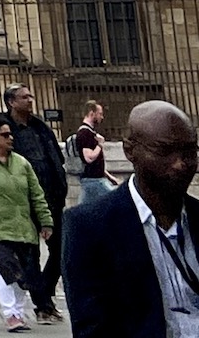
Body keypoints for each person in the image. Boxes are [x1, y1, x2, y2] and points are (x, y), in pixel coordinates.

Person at [64, 97, 199, 337]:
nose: (180, 164)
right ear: (130, 151)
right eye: (164, 151)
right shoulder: (88, 226)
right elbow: (92, 328)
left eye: (190, 152)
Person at [0, 114, 54, 332]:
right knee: (2, 270)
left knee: (23, 275)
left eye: (11, 134)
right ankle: (10, 313)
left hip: (22, 229)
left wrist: (46, 222)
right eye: (5, 135)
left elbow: (36, 195)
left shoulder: (22, 163)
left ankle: (18, 311)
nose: (10, 138)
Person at [6, 84, 70, 324]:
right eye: (24, 97)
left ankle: (43, 290)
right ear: (12, 102)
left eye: (31, 95)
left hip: (52, 198)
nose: (30, 100)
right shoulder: (7, 131)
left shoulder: (40, 127)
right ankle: (43, 305)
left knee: (61, 251)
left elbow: (56, 157)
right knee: (30, 257)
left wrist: (60, 185)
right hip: (25, 203)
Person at [73, 100, 116, 206]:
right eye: (100, 114)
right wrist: (100, 144)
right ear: (92, 113)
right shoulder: (84, 133)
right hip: (93, 181)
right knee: (118, 201)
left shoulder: (90, 132)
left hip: (94, 180)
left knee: (85, 209)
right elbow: (89, 158)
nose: (102, 117)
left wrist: (109, 176)